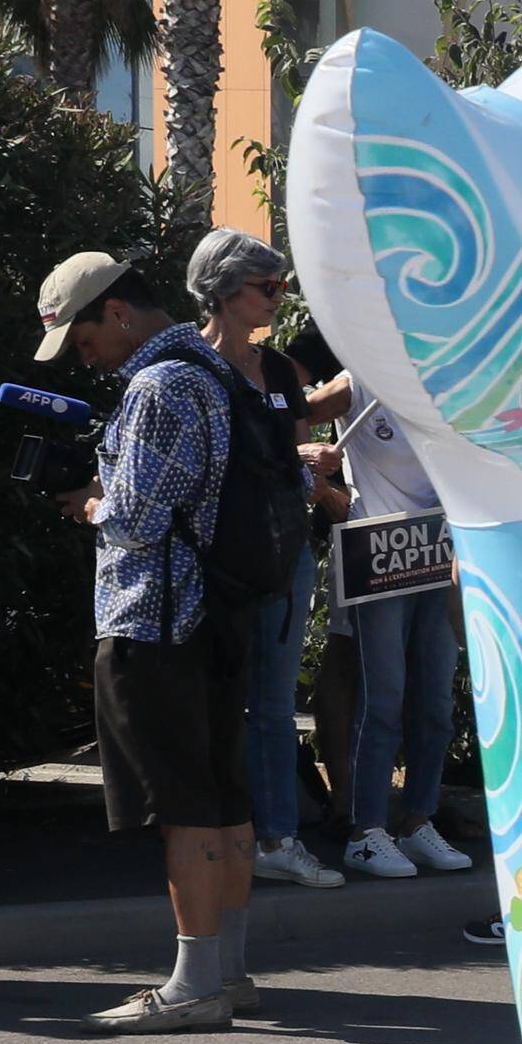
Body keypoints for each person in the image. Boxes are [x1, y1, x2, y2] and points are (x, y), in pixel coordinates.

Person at [41, 247, 258, 1031]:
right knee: (226, 796)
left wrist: (90, 504)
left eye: (84, 337)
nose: (84, 355)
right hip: (219, 614)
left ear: (119, 312)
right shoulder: (216, 371)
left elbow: (137, 518)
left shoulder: (160, 387)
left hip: (157, 619)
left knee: (184, 808)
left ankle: (193, 984)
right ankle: (229, 972)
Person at [173, 231, 345, 893]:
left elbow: (293, 456)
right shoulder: (189, 369)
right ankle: (221, 834)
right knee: (216, 699)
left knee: (273, 702)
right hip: (216, 559)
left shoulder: (275, 369)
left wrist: (311, 468)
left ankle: (275, 835)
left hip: (282, 550)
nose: (279, 295)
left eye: (280, 284)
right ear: (220, 290)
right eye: (266, 285)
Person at [326, 386, 472, 879]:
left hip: (439, 547)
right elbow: (283, 409)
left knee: (434, 702)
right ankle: (365, 832)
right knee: (383, 699)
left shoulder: (451, 376)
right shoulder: (362, 376)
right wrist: (307, 463)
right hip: (379, 552)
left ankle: (417, 822)